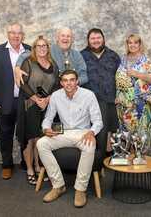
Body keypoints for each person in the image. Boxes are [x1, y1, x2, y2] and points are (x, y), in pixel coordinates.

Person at [36, 70, 103, 208]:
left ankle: (80, 189)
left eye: (72, 80)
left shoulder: (88, 95)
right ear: (61, 83)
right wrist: (45, 129)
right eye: (65, 80)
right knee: (41, 143)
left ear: (77, 81)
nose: (69, 83)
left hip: (82, 132)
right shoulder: (55, 96)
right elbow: (48, 118)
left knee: (90, 145)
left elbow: (98, 121)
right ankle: (58, 185)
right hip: (63, 132)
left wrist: (91, 132)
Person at [0, 23, 31, 180]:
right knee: (6, 134)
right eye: (12, 33)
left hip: (26, 101)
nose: (16, 36)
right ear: (7, 34)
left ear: (23, 35)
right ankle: (6, 165)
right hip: (5, 102)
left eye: (19, 33)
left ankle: (27, 162)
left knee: (26, 133)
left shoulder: (30, 50)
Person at [16, 36, 59, 185]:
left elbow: (56, 85)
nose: (42, 48)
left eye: (44, 46)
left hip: (46, 107)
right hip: (29, 105)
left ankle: (38, 166)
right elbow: (22, 84)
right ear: (34, 48)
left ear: (48, 48)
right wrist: (36, 99)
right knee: (29, 138)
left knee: (40, 138)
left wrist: (47, 100)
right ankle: (29, 169)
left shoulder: (53, 64)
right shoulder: (28, 62)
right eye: (38, 46)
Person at [115, 34, 151, 152]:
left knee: (142, 133)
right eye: (130, 42)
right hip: (124, 105)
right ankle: (129, 160)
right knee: (126, 133)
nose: (133, 45)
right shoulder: (123, 60)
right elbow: (119, 80)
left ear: (140, 44)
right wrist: (118, 96)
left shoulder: (147, 61)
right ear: (127, 44)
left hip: (142, 104)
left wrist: (137, 74)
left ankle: (140, 160)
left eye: (136, 42)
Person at [81, 28, 120, 156]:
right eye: (93, 38)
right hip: (89, 101)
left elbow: (120, 77)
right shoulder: (81, 56)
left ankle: (107, 159)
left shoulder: (113, 56)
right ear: (88, 41)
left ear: (103, 39)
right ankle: (95, 160)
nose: (96, 41)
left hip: (110, 100)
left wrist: (119, 95)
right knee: (94, 131)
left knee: (110, 131)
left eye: (98, 38)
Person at [14, 27, 88, 86]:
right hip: (52, 94)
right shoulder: (48, 50)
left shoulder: (77, 55)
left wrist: (74, 83)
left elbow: (84, 76)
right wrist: (17, 67)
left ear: (72, 40)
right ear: (57, 38)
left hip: (72, 93)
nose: (65, 38)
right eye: (63, 36)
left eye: (68, 36)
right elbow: (27, 53)